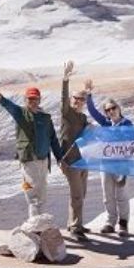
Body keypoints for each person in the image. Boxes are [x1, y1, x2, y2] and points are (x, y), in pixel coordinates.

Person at [0, 75, 63, 218]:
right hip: (28, 161)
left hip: (43, 161)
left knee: (42, 194)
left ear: (39, 100)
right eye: (30, 99)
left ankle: (41, 224)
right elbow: (3, 102)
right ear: (25, 100)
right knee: (30, 193)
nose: (32, 101)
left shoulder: (45, 118)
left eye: (35, 98)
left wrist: (60, 158)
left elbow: (53, 139)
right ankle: (34, 223)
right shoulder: (20, 113)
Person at [84, 78, 133, 237]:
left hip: (121, 165)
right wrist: (88, 94)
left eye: (113, 108)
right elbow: (92, 112)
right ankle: (110, 221)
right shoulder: (106, 123)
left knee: (121, 194)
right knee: (107, 195)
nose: (111, 112)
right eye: (108, 110)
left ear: (118, 108)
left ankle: (123, 223)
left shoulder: (127, 124)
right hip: (106, 164)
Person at [58, 61, 90, 241]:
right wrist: (65, 80)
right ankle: (75, 227)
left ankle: (75, 223)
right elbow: (63, 99)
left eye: (81, 99)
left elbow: (87, 135)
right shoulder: (67, 113)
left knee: (81, 193)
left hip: (83, 160)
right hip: (70, 161)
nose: (78, 101)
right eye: (75, 99)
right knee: (77, 194)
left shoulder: (83, 117)